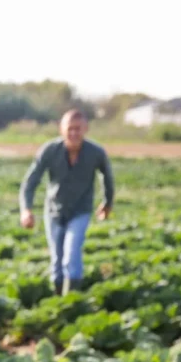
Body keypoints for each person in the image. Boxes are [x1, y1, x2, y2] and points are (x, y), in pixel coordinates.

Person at [19, 109, 115, 296]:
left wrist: (107, 202)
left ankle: (71, 302)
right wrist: (26, 210)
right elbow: (30, 182)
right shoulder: (50, 150)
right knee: (57, 259)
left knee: (71, 255)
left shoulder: (95, 152)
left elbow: (107, 178)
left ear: (85, 129)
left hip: (81, 210)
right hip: (54, 211)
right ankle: (58, 302)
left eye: (78, 129)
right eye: (70, 129)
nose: (74, 133)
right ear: (62, 129)